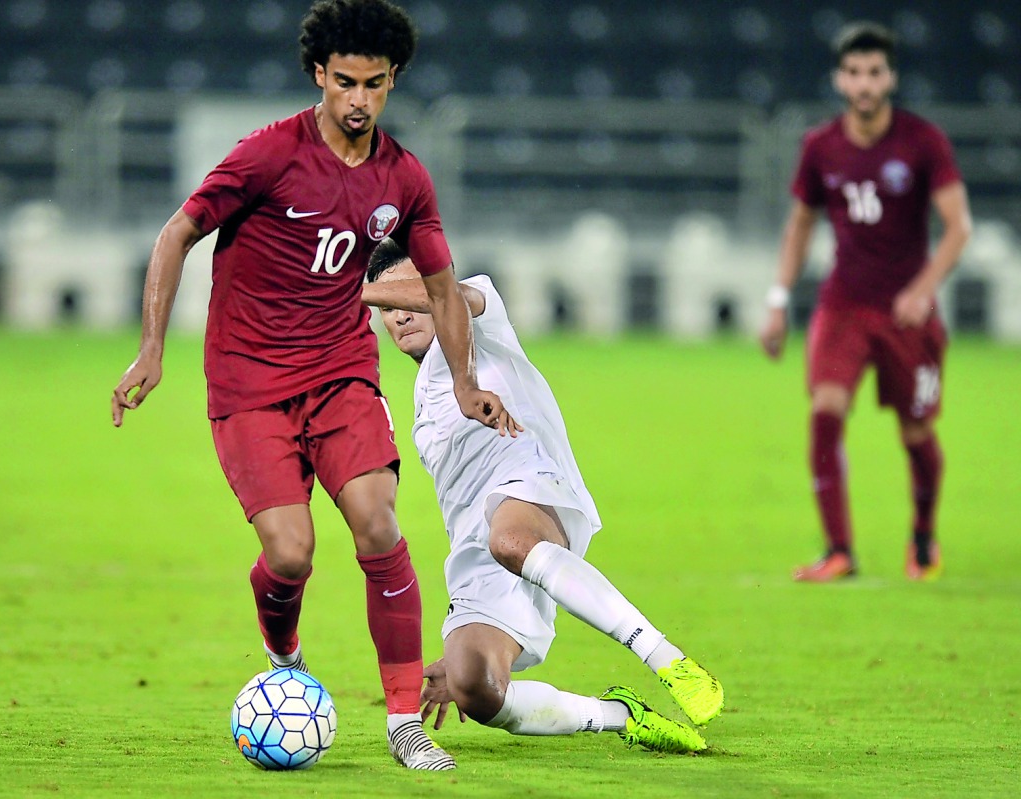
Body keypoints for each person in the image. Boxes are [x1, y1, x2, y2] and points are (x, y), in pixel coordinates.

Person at [110, 0, 516, 771]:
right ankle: (281, 643)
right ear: (318, 77)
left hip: (339, 375)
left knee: (378, 523)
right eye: (344, 83)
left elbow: (439, 284)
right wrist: (150, 349)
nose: (358, 100)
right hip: (249, 382)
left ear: (393, 80)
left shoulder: (405, 178)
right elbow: (177, 233)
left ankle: (404, 722)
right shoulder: (269, 155)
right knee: (290, 553)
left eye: (374, 83)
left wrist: (465, 383)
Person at [362, 240, 724, 755]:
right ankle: (620, 716)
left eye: (407, 295)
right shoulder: (422, 403)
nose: (399, 313)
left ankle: (665, 658)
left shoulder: (479, 321)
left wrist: (352, 289)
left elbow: (452, 296)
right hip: (478, 549)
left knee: (509, 537)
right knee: (474, 687)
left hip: (531, 486)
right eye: (386, 309)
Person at [760, 22, 972, 583]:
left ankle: (923, 537)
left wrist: (922, 289)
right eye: (853, 72)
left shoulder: (923, 142)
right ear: (839, 78)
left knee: (916, 433)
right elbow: (800, 226)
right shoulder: (820, 146)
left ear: (891, 77)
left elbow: (958, 228)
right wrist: (778, 300)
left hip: (908, 314)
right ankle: (839, 550)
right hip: (844, 306)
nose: (864, 83)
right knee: (825, 412)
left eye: (874, 72)